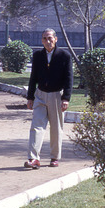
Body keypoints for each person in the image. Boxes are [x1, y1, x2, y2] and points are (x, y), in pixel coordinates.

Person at [24, 28, 73, 169]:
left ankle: (54, 157)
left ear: (56, 39)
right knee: (36, 127)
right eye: (45, 38)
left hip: (57, 96)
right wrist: (30, 97)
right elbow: (33, 77)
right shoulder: (38, 55)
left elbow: (69, 78)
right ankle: (33, 158)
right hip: (40, 95)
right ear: (42, 41)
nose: (48, 41)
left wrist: (66, 98)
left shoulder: (65, 56)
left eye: (50, 38)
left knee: (56, 128)